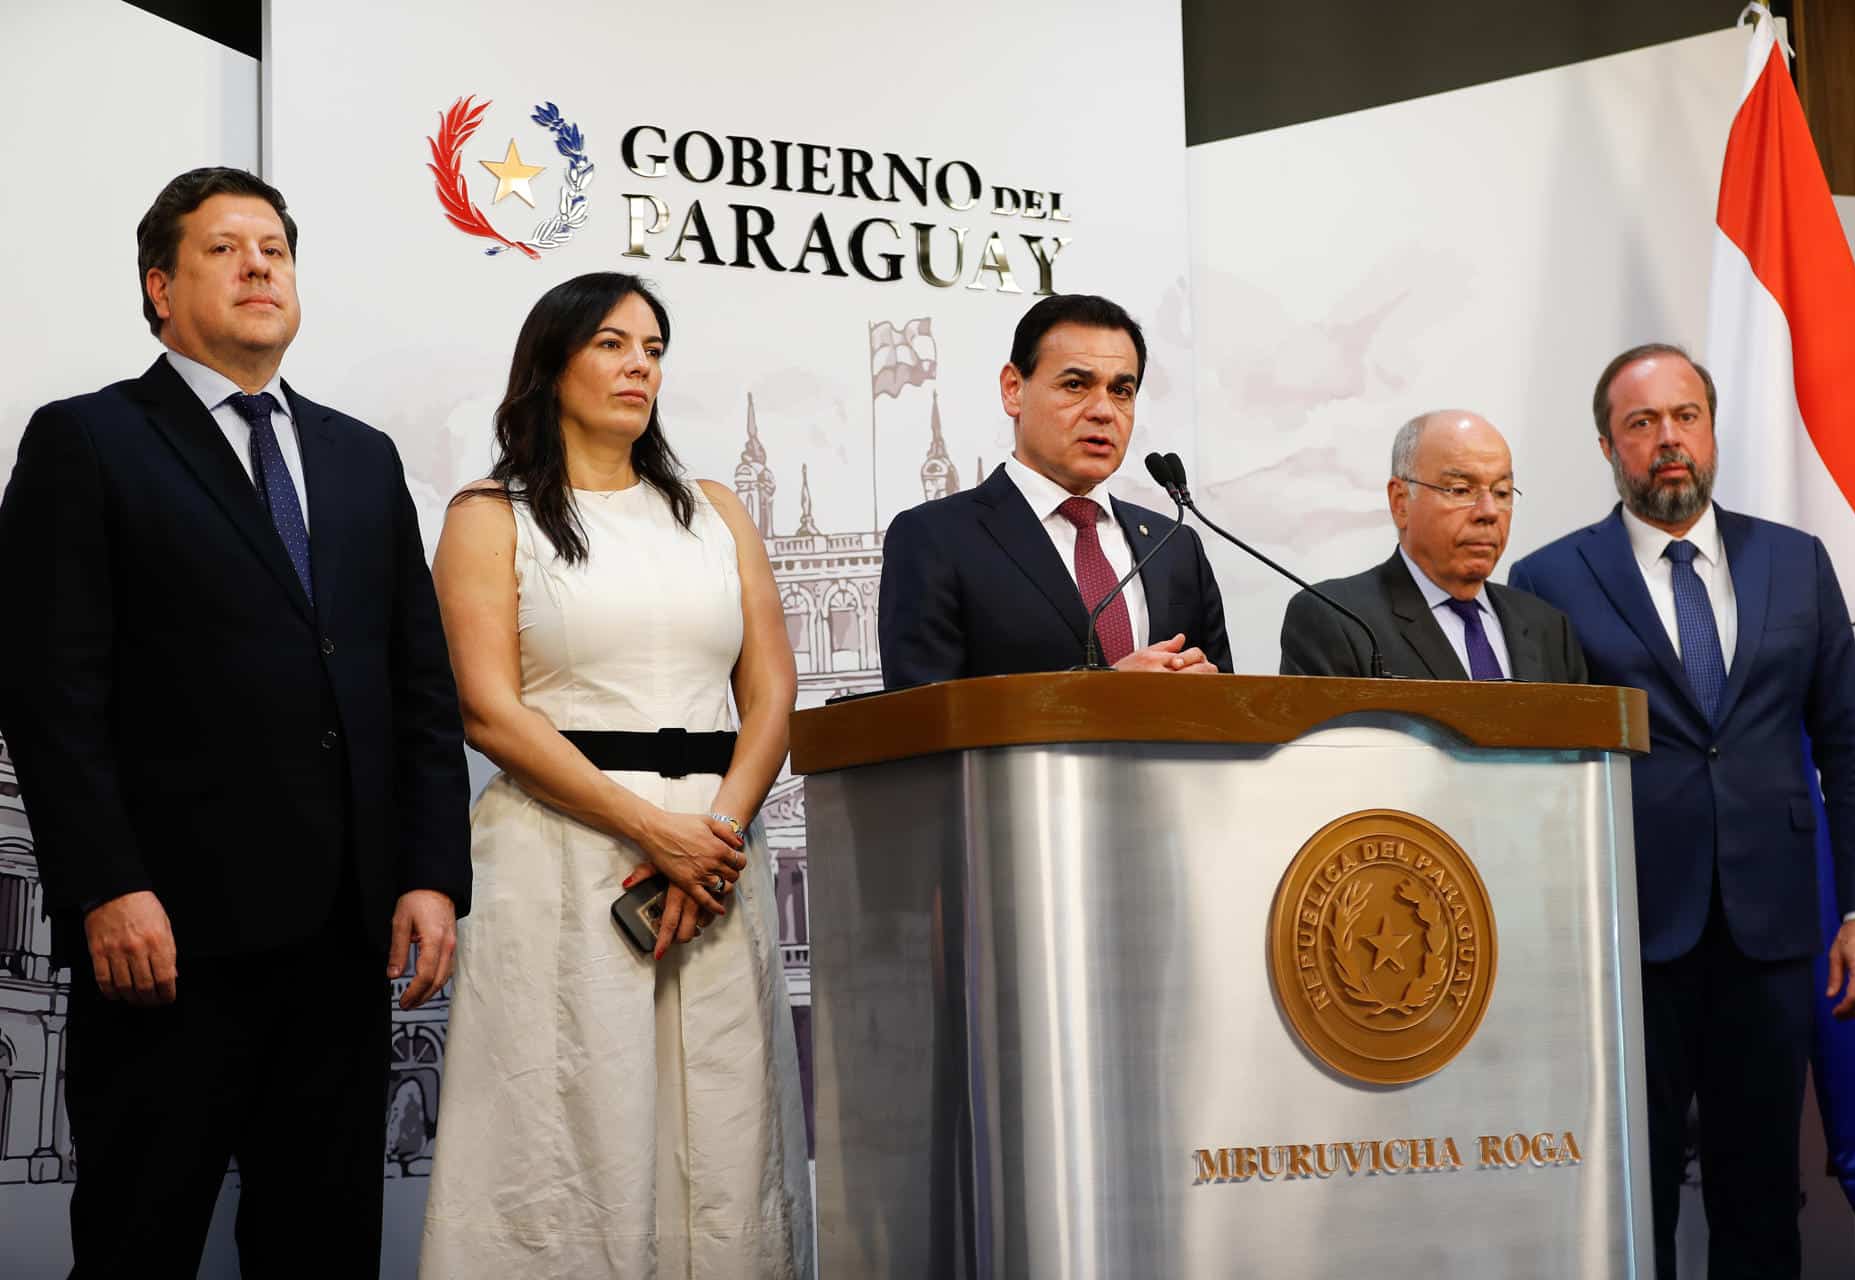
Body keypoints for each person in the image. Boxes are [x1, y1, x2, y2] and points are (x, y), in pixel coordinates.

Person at [0, 167, 470, 1274]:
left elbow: (419, 685)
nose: (260, 264)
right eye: (224, 248)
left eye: (276, 247)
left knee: (324, 1245)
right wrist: (106, 882)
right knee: (140, 1242)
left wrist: (431, 871)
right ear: (160, 288)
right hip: (166, 942)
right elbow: (47, 687)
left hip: (346, 937)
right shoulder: (88, 440)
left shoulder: (362, 457)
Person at [419, 273, 812, 1276]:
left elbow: (770, 691)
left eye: (653, 345)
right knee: (564, 1123)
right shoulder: (488, 512)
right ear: (550, 364)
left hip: (716, 855)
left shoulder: (716, 509)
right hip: (564, 849)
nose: (639, 362)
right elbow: (487, 708)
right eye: (610, 342)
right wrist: (651, 827)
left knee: (722, 1124)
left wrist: (711, 833)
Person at [1508, 343, 1855, 1279]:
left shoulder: (1796, 563)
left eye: (1685, 416)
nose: (1667, 441)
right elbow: (1538, 775)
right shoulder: (1552, 577)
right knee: (1631, 1190)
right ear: (1609, 444)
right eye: (1642, 424)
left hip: (1771, 932)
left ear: (1712, 430)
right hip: (1627, 935)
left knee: (1762, 1191)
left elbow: (1849, 747)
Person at [878, 293, 1232, 686]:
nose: (1103, 410)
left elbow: (1228, 709)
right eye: (1076, 384)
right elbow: (924, 721)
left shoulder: (1174, 546)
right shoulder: (935, 539)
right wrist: (1106, 694)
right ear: (1014, 388)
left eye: (1121, 391)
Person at [1280, 411, 1587, 682]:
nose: (1489, 512)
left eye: (1502, 492)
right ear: (1400, 502)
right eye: (1461, 489)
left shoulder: (1548, 628)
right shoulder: (1339, 620)